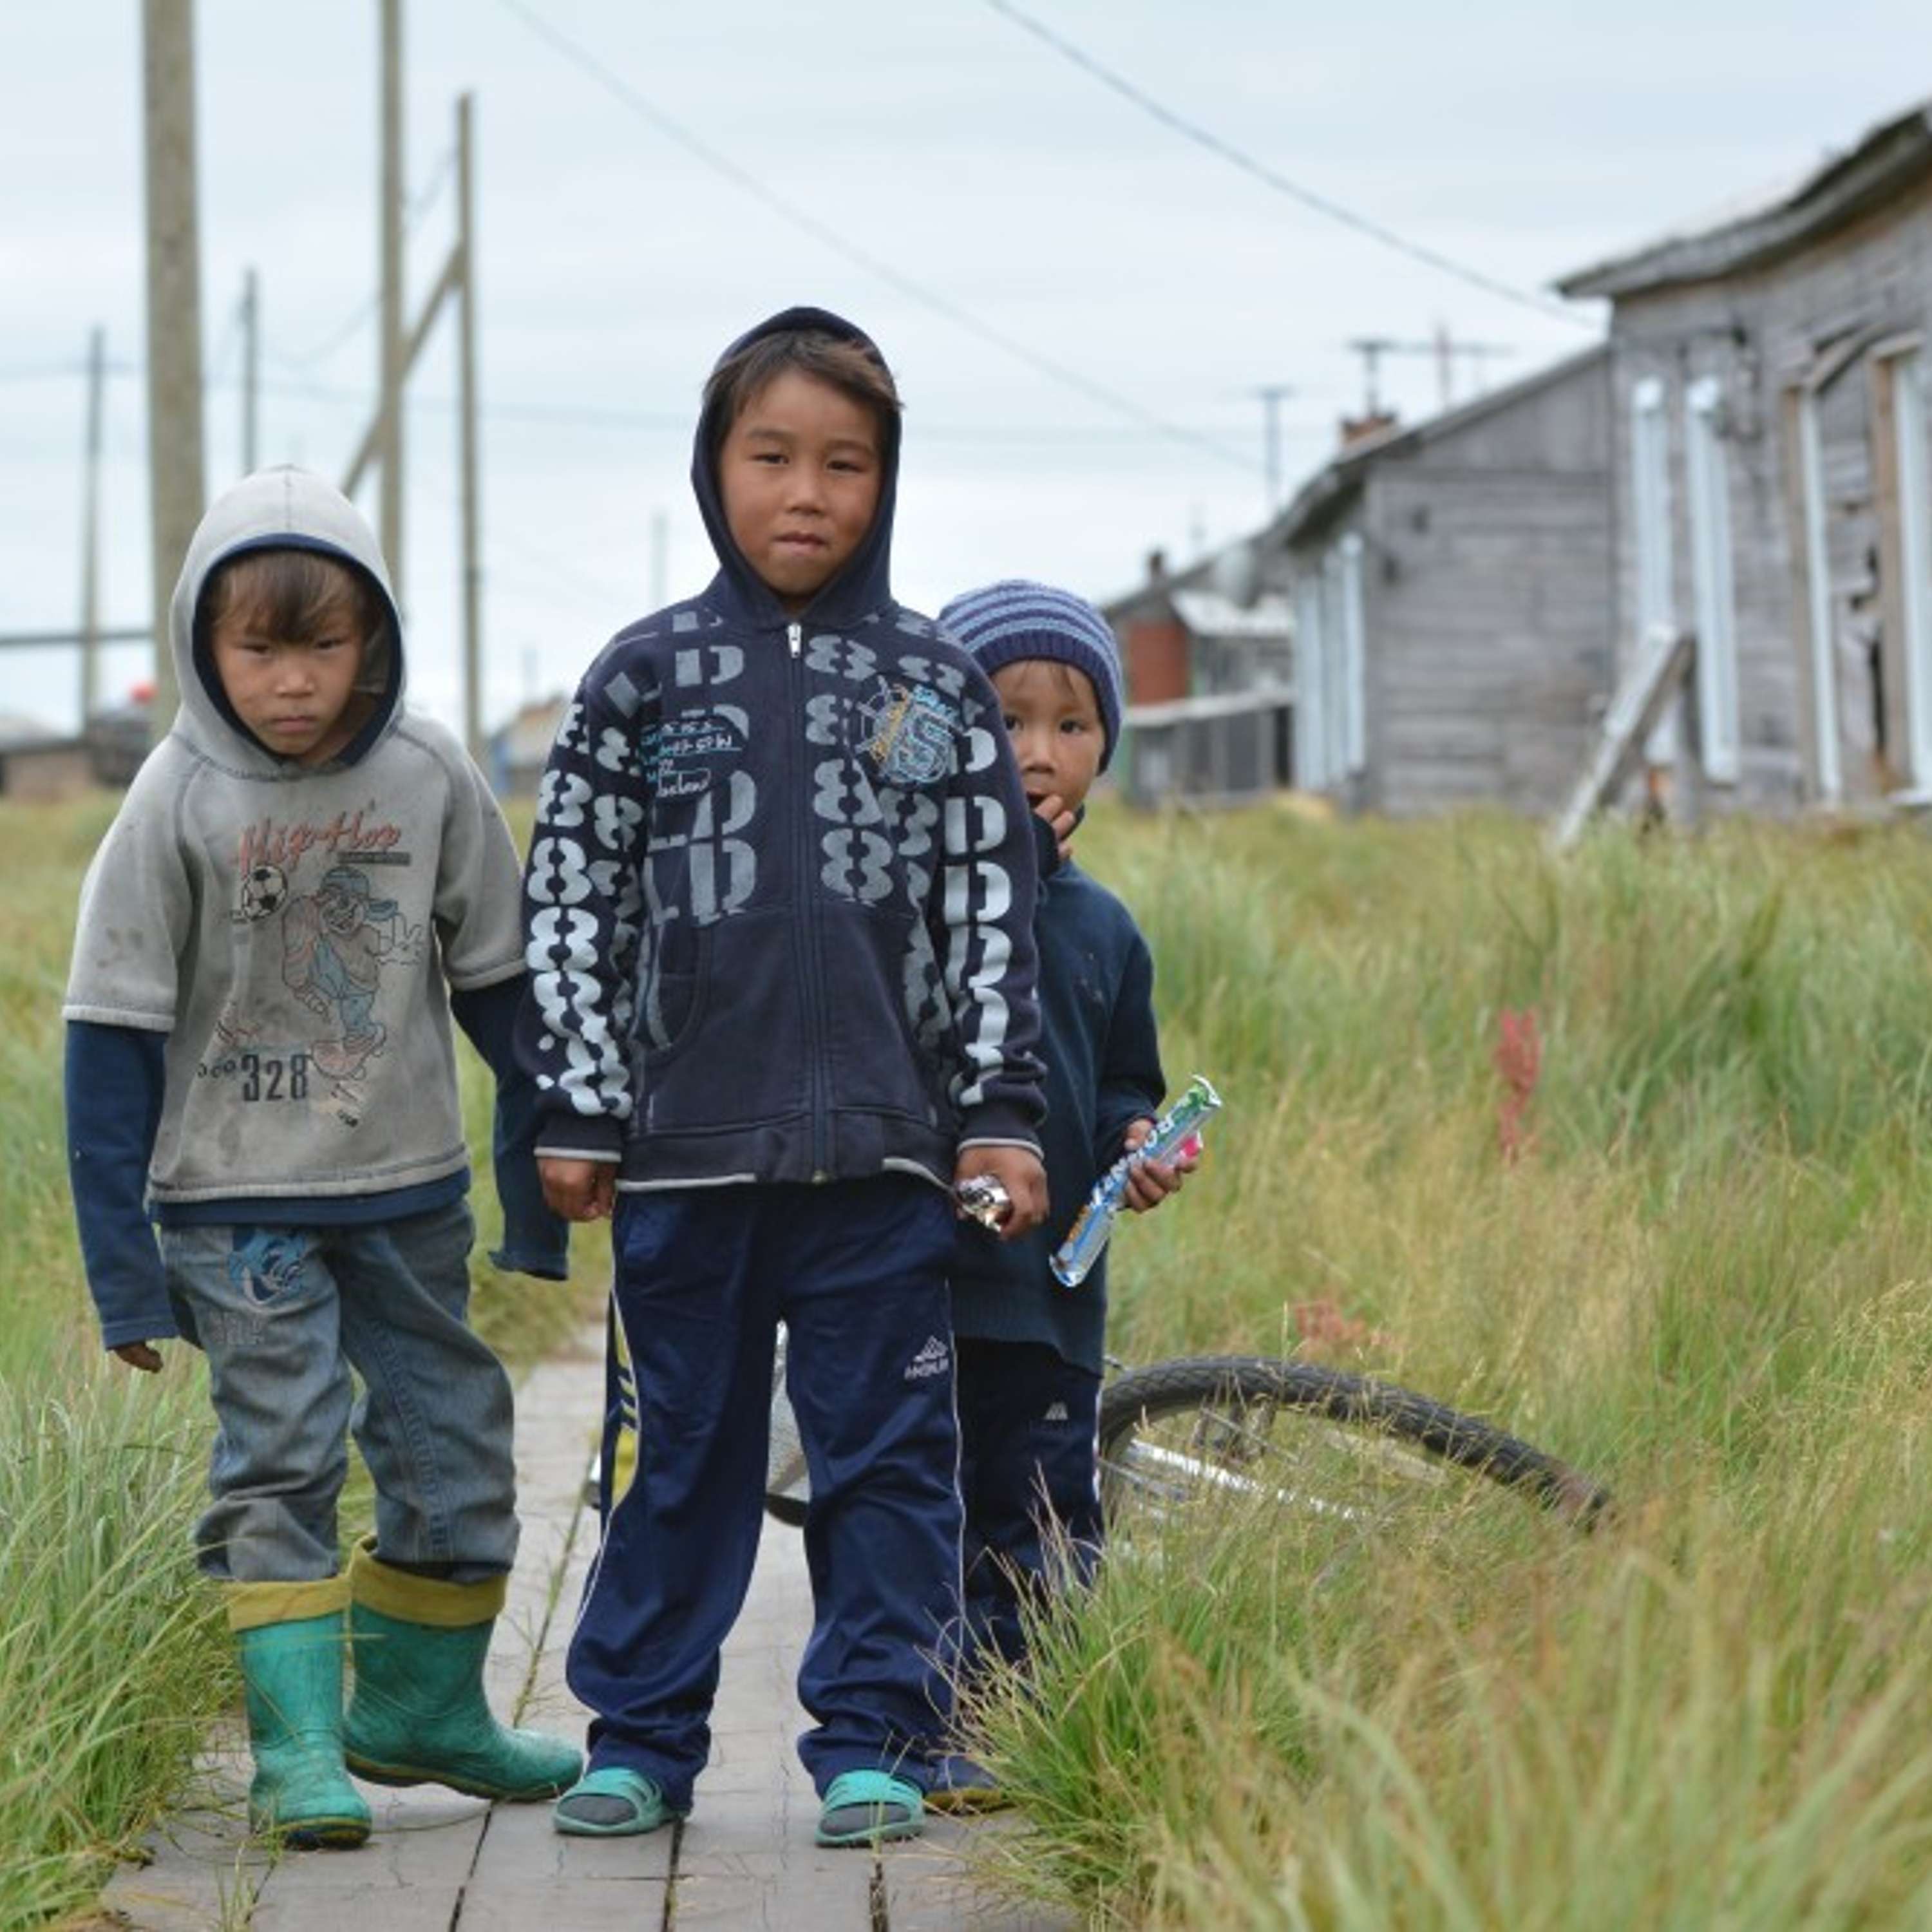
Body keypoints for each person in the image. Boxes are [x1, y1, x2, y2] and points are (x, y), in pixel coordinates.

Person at [521, 307, 1049, 1848]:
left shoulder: (935, 684)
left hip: (885, 1168)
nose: (807, 492)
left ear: (888, 481)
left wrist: (1002, 1114)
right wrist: (578, 1102)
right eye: (772, 458)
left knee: (886, 1462)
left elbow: (987, 912)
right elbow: (571, 895)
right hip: (683, 1162)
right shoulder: (643, 679)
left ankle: (880, 1734)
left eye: (845, 463)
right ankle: (639, 1737)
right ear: (715, 468)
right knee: (676, 1457)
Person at [62, 467, 582, 1850]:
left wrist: (537, 1200)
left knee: (456, 1445)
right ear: (202, 645)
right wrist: (125, 1276)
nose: (292, 682)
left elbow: (505, 993)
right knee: (281, 1454)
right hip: (235, 1211)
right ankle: (297, 1755)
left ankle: (421, 1715)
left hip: (405, 1191)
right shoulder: (173, 801)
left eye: (322, 645)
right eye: (258, 648)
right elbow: (109, 1038)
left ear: (374, 639)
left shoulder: (429, 772)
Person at [929, 580, 1191, 1807]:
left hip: (1052, 1294)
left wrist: (1138, 1144)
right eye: (1005, 715)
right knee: (911, 1506)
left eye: (1072, 724)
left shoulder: (1105, 929)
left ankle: (1024, 1726)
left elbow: (1116, 1085)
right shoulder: (906, 907)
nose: (1038, 749)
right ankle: (902, 1729)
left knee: (1040, 1510)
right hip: (919, 1277)